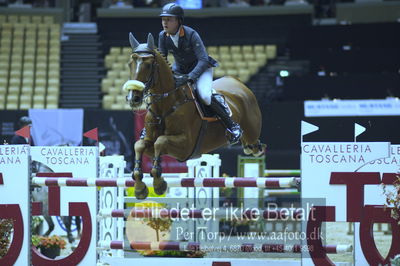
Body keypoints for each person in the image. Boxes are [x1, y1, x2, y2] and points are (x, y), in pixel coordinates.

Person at [158, 2, 242, 144]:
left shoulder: (191, 34)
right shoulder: (162, 36)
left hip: (201, 68)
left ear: (179, 21)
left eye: (169, 19)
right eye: (163, 19)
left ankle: (233, 126)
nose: (165, 23)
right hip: (181, 69)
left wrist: (191, 78)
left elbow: (202, 59)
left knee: (204, 96)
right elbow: (163, 59)